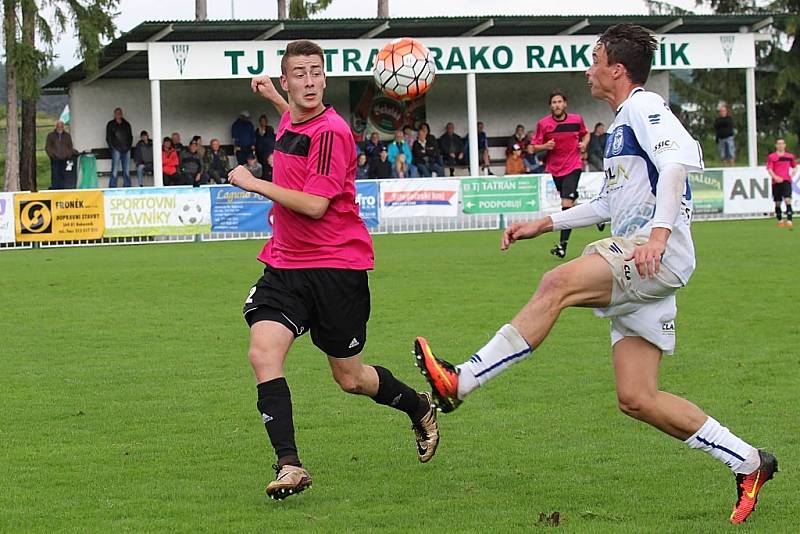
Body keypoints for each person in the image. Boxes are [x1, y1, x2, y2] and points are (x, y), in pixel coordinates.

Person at [414, 24, 777, 526]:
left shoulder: (646, 108)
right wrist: (546, 222)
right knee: (638, 398)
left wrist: (658, 235)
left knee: (555, 285)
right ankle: (749, 461)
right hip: (645, 260)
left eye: (595, 58)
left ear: (617, 69)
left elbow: (676, 164)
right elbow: (610, 201)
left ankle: (461, 381)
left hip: (651, 254)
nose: (589, 67)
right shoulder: (622, 123)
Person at [228, 40, 439, 500]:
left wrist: (252, 182)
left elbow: (316, 205)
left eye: (315, 72)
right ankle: (289, 466)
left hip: (335, 266)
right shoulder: (292, 117)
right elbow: (293, 120)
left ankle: (418, 406)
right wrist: (273, 97)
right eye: (298, 74)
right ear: (287, 80)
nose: (308, 80)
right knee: (262, 353)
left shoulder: (332, 132)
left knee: (350, 378)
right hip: (285, 263)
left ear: (325, 78)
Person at [529, 90, 590, 258]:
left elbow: (586, 134)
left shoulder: (576, 120)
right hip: (555, 169)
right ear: (551, 106)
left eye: (559, 102)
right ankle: (596, 213)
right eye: (554, 102)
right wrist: (545, 146)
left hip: (573, 165)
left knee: (565, 205)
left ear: (565, 104)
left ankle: (562, 246)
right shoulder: (544, 124)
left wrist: (584, 144)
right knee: (569, 204)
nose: (557, 105)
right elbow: (532, 147)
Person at [766, 138, 797, 229]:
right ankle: (780, 220)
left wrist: (794, 172)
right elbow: (769, 169)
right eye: (778, 144)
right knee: (778, 202)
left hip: (786, 180)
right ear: (776, 145)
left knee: (788, 199)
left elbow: (794, 166)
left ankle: (789, 220)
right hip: (776, 182)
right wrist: (775, 177)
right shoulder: (772, 157)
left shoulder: (789, 156)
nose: (780, 145)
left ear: (785, 145)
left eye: (782, 144)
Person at [105, 107, 133, 188]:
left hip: (126, 149)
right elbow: (108, 138)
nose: (119, 114)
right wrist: (113, 148)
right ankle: (112, 187)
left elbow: (130, 137)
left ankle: (127, 186)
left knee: (127, 170)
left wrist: (129, 146)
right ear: (114, 114)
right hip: (116, 149)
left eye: (120, 113)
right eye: (117, 113)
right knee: (114, 170)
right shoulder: (110, 124)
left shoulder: (126, 124)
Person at [45, 121, 75, 190]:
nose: (60, 128)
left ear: (63, 127)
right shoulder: (51, 135)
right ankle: (55, 189)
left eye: (61, 126)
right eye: (58, 126)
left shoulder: (67, 136)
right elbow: (48, 147)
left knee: (63, 175)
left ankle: (62, 190)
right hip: (55, 159)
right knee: (55, 175)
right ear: (56, 127)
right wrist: (52, 155)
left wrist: (68, 155)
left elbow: (70, 146)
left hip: (65, 159)